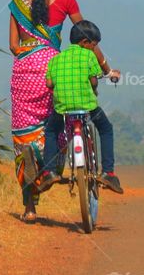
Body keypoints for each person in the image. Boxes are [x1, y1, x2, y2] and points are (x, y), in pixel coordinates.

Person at [9, 0, 119, 222]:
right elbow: (86, 37)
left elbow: (13, 46)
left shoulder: (16, 3)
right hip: (52, 68)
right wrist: (106, 68)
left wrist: (30, 54)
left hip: (24, 73)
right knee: (58, 129)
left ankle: (30, 207)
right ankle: (58, 168)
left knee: (25, 139)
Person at [45, 20, 124, 194]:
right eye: (93, 45)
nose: (93, 48)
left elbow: (49, 84)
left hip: (62, 107)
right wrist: (94, 90)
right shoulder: (88, 56)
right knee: (105, 129)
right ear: (84, 42)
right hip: (86, 105)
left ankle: (48, 171)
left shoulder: (56, 58)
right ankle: (108, 172)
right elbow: (94, 79)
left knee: (51, 130)